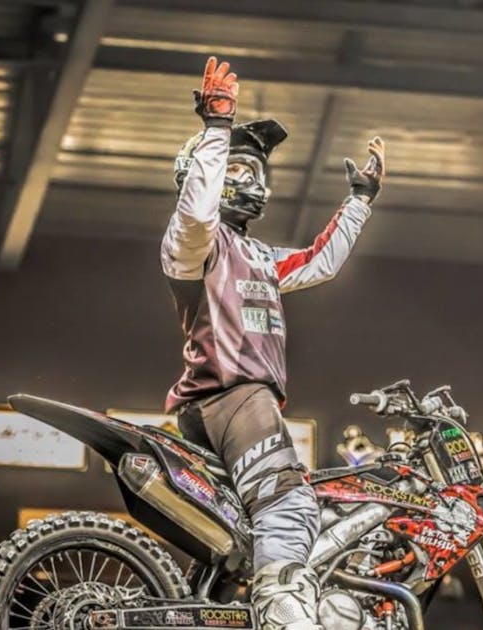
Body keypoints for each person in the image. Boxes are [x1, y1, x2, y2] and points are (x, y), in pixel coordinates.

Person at [161, 57, 385, 630]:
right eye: (240, 168)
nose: (254, 181)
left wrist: (359, 201)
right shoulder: (195, 244)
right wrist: (217, 129)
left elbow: (320, 261)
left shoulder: (258, 255)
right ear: (204, 173)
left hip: (228, 403)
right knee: (289, 501)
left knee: (245, 528)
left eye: (258, 171)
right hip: (233, 397)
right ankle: (286, 615)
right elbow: (195, 215)